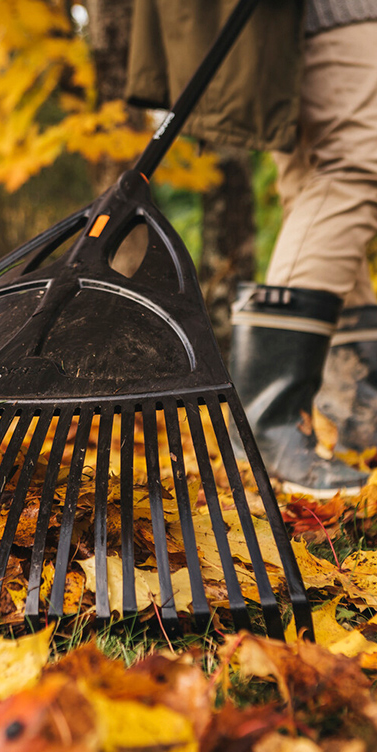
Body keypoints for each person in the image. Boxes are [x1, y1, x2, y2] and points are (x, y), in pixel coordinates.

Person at [125, 0, 377, 497]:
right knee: (353, 167)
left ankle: (358, 408)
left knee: (316, 180)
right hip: (332, 11)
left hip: (291, 20)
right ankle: (270, 424)